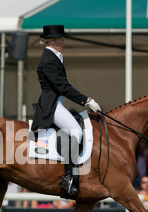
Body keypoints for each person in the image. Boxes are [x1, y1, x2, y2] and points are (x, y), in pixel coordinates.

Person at [31, 25, 101, 196]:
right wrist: (86, 100)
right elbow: (62, 86)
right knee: (77, 132)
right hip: (51, 104)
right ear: (53, 41)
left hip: (57, 102)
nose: (64, 41)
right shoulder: (48, 59)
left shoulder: (55, 56)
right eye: (61, 39)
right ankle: (68, 177)